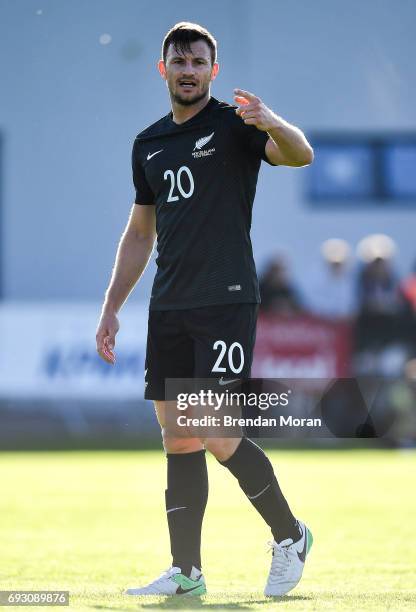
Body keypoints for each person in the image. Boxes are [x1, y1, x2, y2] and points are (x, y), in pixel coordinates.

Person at [96, 22, 314, 598]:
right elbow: (140, 232)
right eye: (178, 61)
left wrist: (274, 122)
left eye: (197, 62)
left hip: (226, 301)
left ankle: (291, 536)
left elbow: (301, 154)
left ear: (212, 70)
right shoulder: (148, 144)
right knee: (178, 437)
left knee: (212, 430)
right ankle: (187, 572)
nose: (187, 70)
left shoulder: (234, 125)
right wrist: (112, 306)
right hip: (169, 304)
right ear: (162, 69)